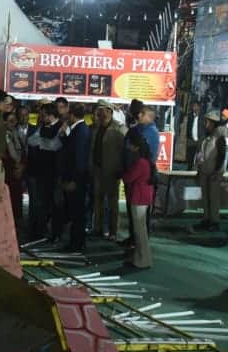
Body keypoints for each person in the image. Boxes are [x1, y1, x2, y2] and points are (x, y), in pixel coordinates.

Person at [26, 104, 65, 242]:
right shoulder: (43, 127)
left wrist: (42, 143)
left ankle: (56, 233)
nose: (41, 118)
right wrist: (45, 142)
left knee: (56, 205)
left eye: (43, 115)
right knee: (42, 203)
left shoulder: (62, 126)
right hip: (41, 172)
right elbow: (31, 141)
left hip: (56, 173)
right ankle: (41, 232)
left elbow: (55, 145)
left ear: (50, 114)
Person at [58, 104, 92, 252]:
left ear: (72, 115)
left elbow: (78, 158)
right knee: (74, 211)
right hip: (76, 177)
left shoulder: (80, 131)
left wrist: (73, 180)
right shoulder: (79, 130)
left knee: (77, 212)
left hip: (77, 179)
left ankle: (76, 243)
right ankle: (76, 241)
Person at [122, 124, 156, 269]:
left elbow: (129, 178)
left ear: (136, 147)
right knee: (139, 231)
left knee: (140, 232)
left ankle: (144, 260)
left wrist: (123, 174)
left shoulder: (141, 162)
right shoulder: (147, 161)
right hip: (143, 197)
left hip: (139, 197)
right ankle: (139, 258)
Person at [89, 103, 126, 238]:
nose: (100, 114)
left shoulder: (119, 128)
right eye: (99, 111)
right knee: (97, 201)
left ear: (109, 112)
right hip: (97, 170)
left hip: (112, 171)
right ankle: (97, 228)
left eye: (102, 111)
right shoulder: (97, 128)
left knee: (112, 203)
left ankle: (113, 231)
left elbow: (125, 151)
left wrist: (120, 169)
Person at [194, 114, 226, 231]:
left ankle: (214, 221)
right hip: (204, 171)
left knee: (213, 197)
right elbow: (200, 154)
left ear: (213, 123)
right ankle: (206, 218)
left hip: (214, 173)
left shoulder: (219, 137)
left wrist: (217, 171)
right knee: (205, 197)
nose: (205, 124)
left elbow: (222, 156)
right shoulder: (205, 137)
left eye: (207, 122)